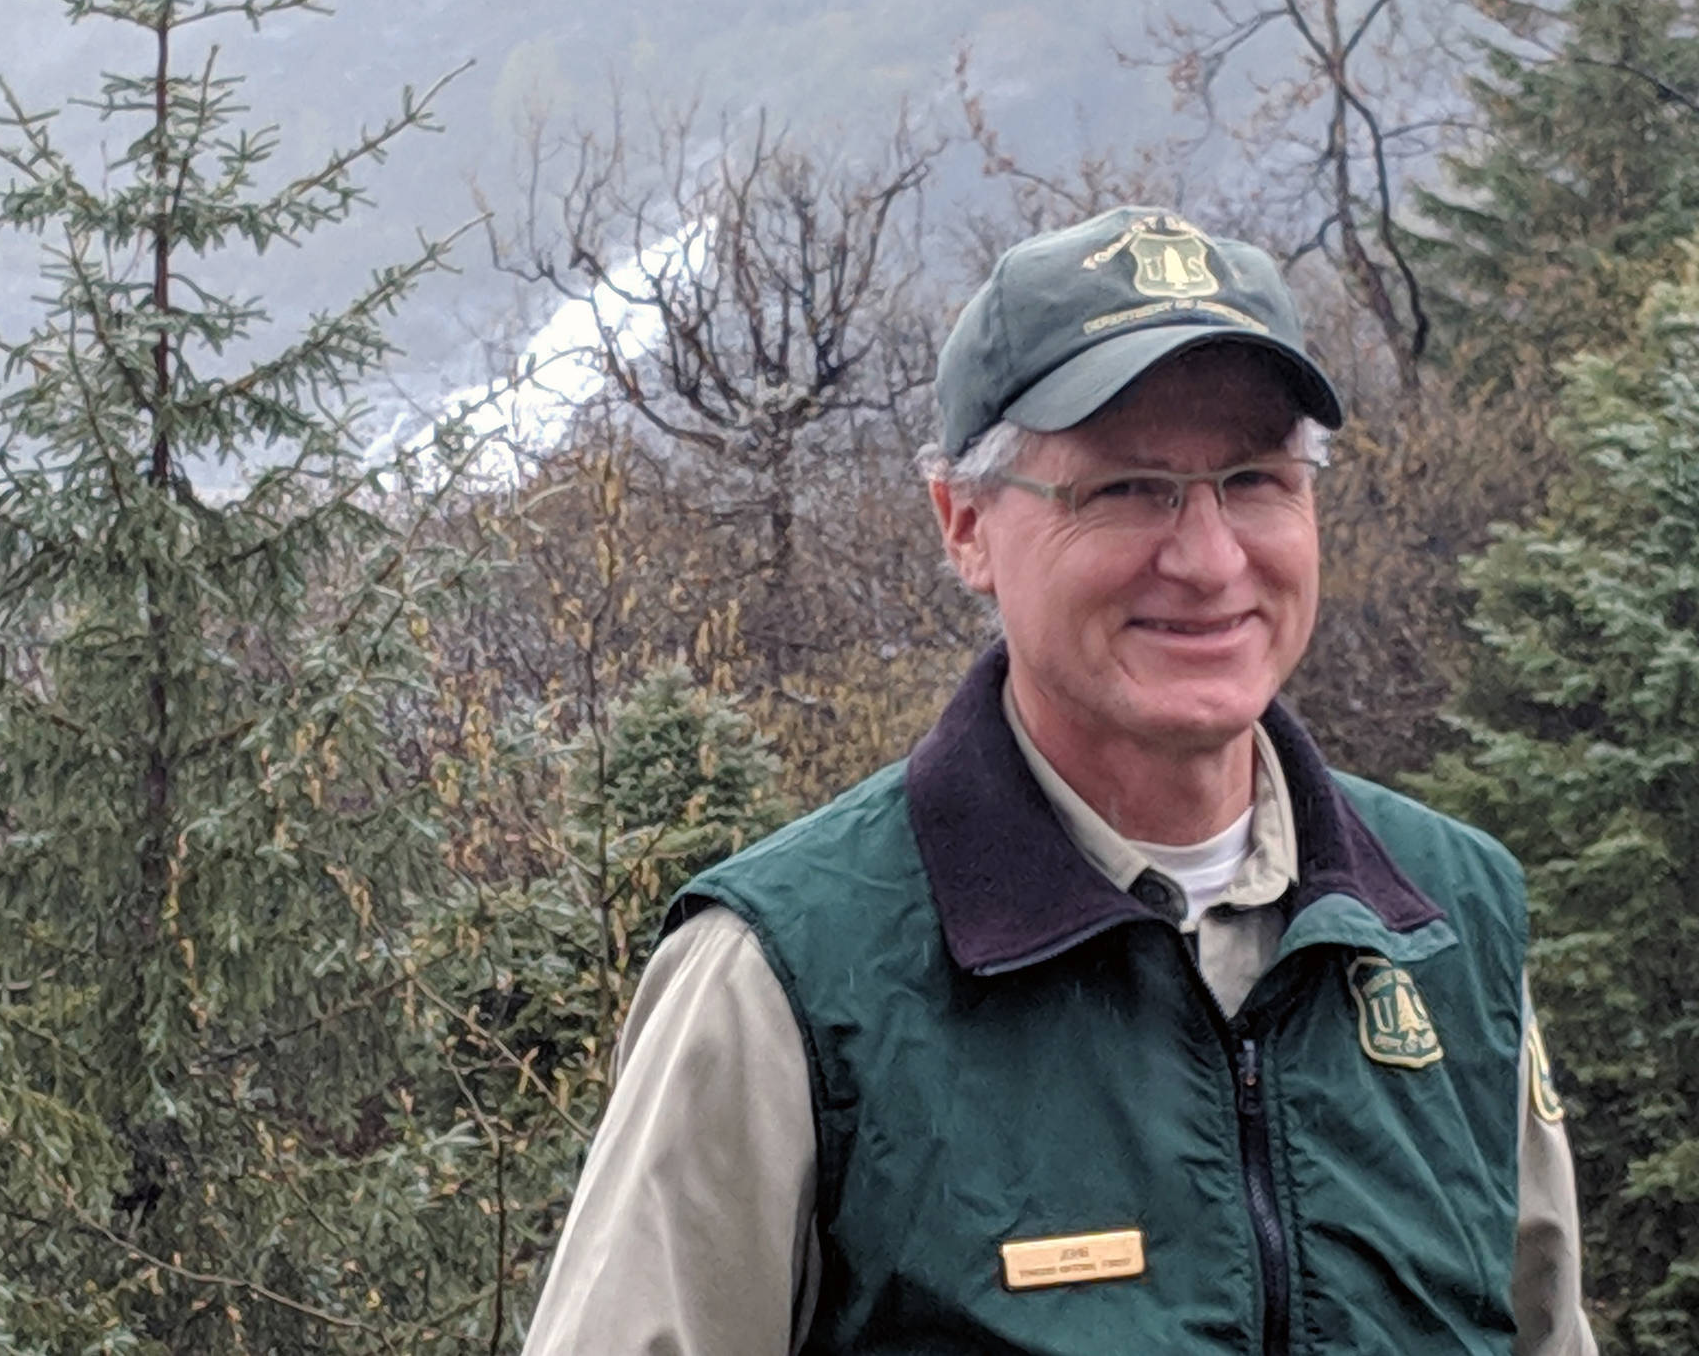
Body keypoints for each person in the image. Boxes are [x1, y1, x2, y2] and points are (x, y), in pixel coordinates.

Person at [522, 206, 1597, 1355]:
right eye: (1125, 488)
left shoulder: (1444, 924)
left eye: (1253, 480)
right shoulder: (786, 976)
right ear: (965, 524)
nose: (1208, 558)